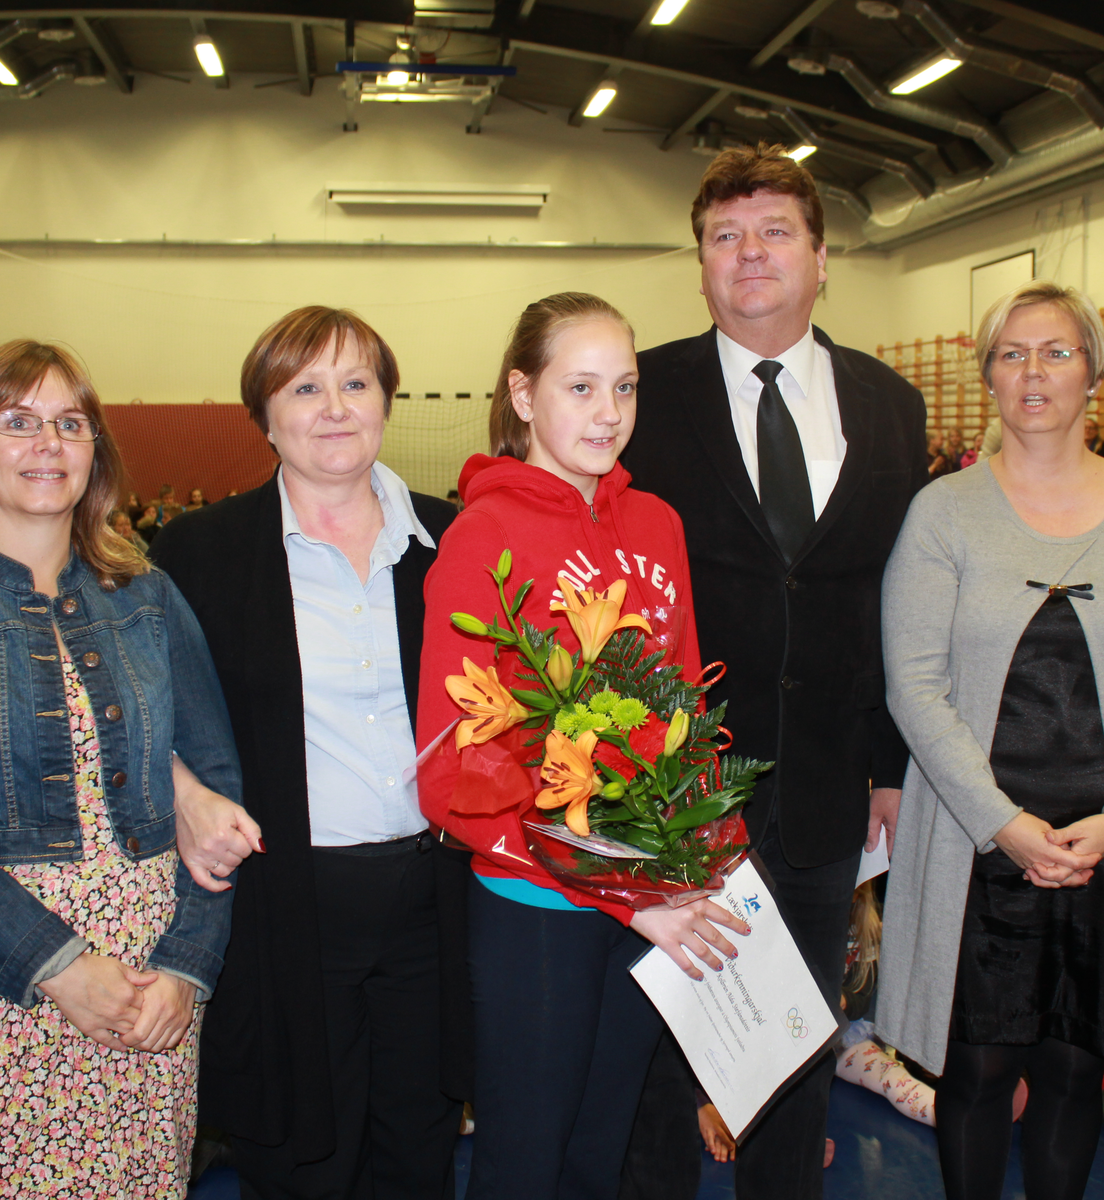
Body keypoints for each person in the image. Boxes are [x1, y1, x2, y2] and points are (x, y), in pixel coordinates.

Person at [621, 142, 927, 1198]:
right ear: (701, 263)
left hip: (826, 786)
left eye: (775, 231)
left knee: (796, 1047)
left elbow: (893, 594)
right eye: (726, 235)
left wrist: (891, 764)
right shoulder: (640, 392)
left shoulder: (890, 404)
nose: (750, 252)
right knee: (661, 1059)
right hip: (671, 792)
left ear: (823, 258)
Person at [418, 292, 749, 1200]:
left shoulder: (658, 524)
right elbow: (451, 771)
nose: (609, 413)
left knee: (599, 1159)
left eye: (625, 387)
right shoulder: (482, 536)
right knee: (525, 1166)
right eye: (581, 387)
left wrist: (701, 857)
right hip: (539, 906)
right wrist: (620, 892)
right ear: (523, 396)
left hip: (652, 900)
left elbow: (685, 716)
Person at [876, 280, 1104, 1200]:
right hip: (979, 848)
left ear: (1093, 371)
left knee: (1072, 1071)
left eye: (1056, 351)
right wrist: (1003, 824)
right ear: (988, 376)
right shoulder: (943, 512)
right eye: (1011, 354)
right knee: (976, 1074)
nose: (1033, 372)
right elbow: (915, 686)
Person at [150, 306, 464, 1200]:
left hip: (435, 902)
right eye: (305, 388)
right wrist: (184, 793)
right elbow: (141, 710)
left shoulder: (454, 539)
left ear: (387, 401)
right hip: (286, 906)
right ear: (264, 414)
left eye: (356, 383)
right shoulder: (200, 553)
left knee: (420, 1150)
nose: (334, 408)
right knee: (302, 1161)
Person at [0, 339, 241, 1196]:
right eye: (18, 421)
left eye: (71, 424)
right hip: (17, 980)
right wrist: (56, 964)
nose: (48, 444)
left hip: (151, 987)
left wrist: (186, 967)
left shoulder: (146, 595)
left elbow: (216, 790)